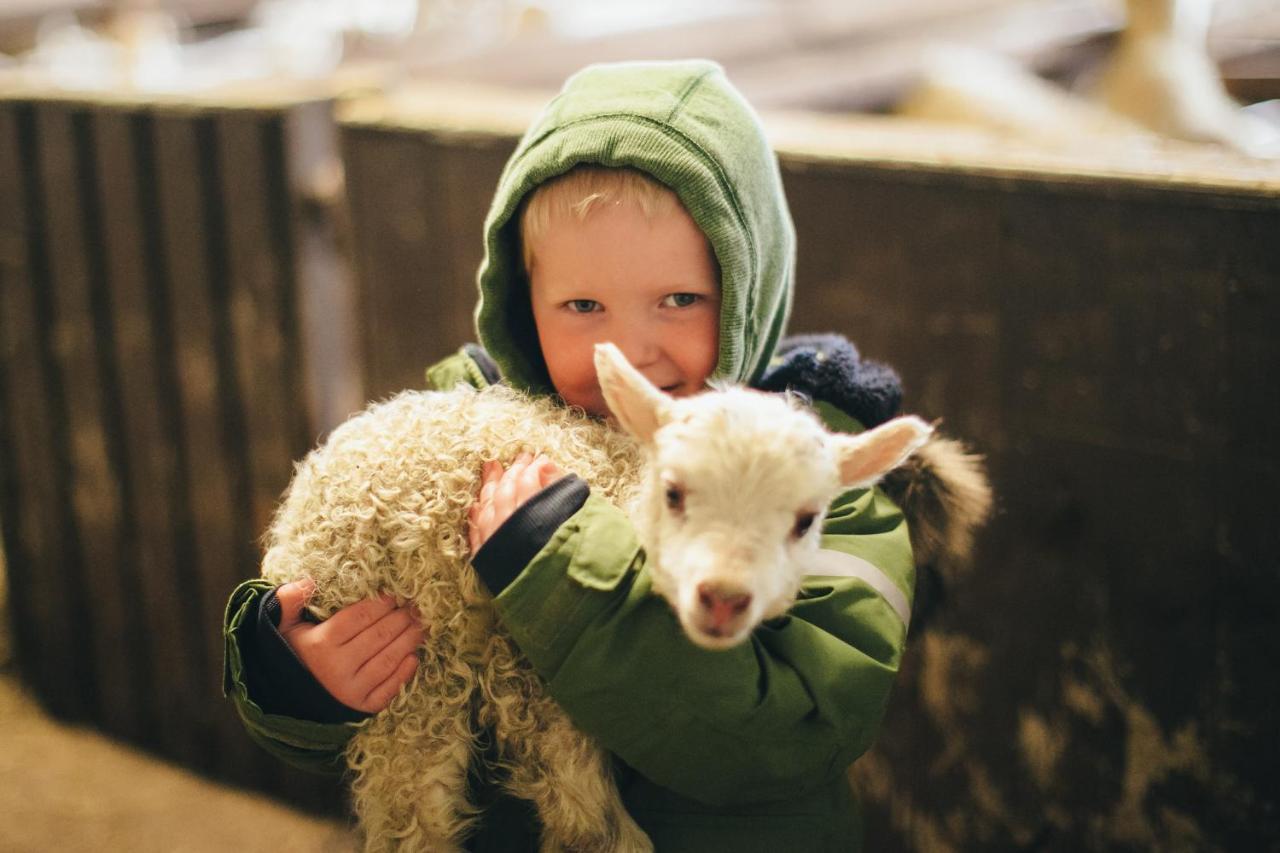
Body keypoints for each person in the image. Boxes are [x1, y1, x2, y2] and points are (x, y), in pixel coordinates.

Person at [224, 59, 917, 852]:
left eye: (679, 300)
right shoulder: (460, 449)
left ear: (748, 288)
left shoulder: (828, 489)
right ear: (525, 306)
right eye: (583, 306)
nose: (627, 350)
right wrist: (301, 678)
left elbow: (792, 732)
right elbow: (358, 691)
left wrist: (566, 576)